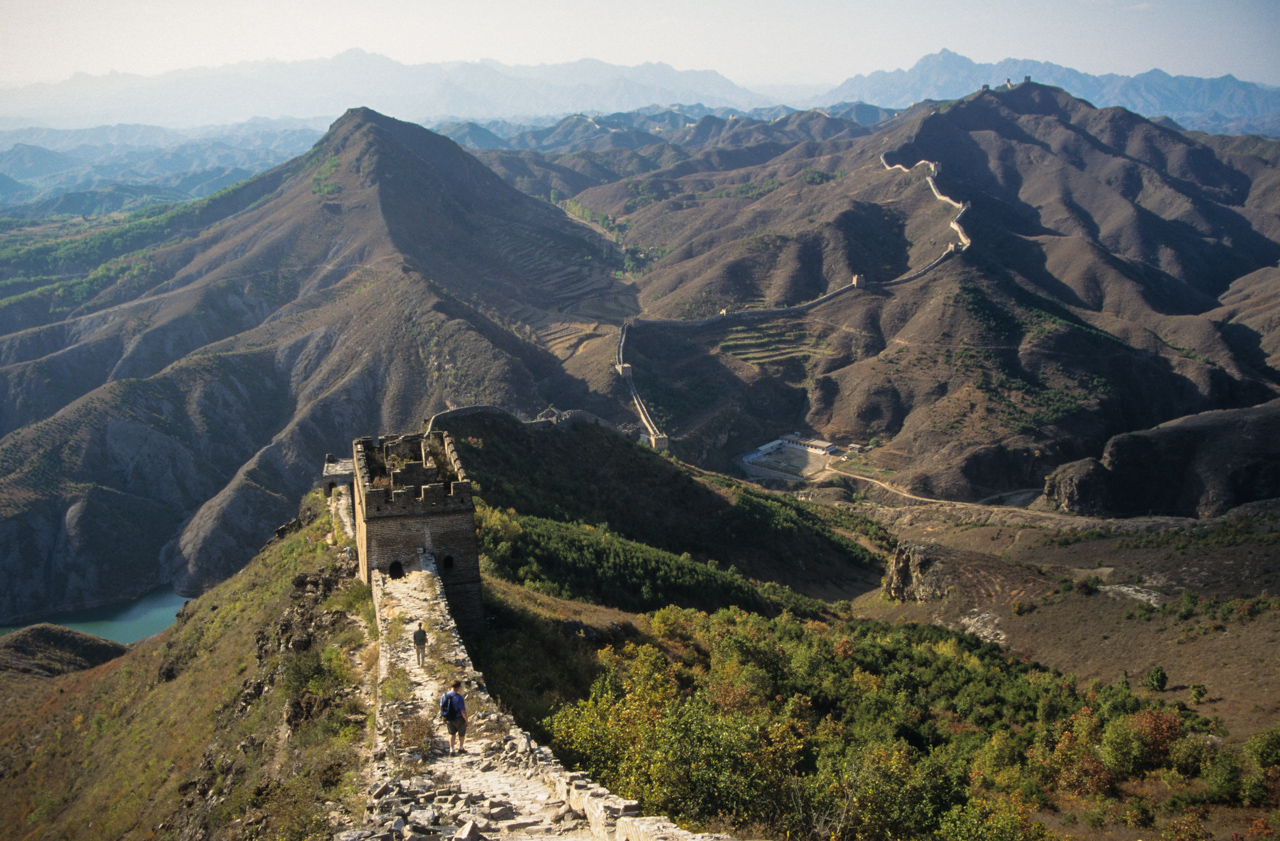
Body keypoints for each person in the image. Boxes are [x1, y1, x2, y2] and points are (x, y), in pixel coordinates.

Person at [442, 680, 468, 754]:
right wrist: (466, 720)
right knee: (461, 733)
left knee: (451, 734)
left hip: (449, 718)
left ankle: (451, 750)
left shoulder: (444, 696)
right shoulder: (459, 697)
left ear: (451, 686)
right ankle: (461, 748)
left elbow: (442, 708)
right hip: (458, 718)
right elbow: (463, 711)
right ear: (458, 687)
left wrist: (443, 718)